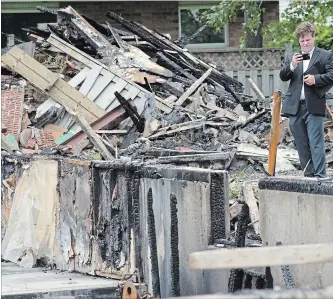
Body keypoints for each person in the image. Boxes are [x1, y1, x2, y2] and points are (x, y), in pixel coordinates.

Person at [280, 22, 333, 179]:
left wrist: (316, 79)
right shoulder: (292, 56)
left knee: (316, 142)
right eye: (302, 41)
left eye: (308, 40)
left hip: (314, 105)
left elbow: (331, 75)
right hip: (295, 106)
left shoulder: (325, 55)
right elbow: (283, 76)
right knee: (301, 143)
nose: (305, 43)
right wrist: (291, 65)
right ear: (299, 41)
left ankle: (321, 176)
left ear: (313, 37)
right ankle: (308, 176)